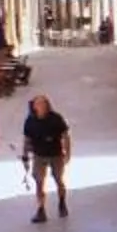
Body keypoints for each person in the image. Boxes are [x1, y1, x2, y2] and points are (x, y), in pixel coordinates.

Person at [22, 94, 71, 223]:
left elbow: (65, 136)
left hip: (55, 154)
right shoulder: (30, 121)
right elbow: (27, 139)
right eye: (38, 104)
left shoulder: (56, 119)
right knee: (39, 182)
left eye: (43, 104)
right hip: (39, 155)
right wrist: (25, 155)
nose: (40, 107)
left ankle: (62, 202)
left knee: (58, 180)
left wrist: (67, 152)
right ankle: (41, 209)